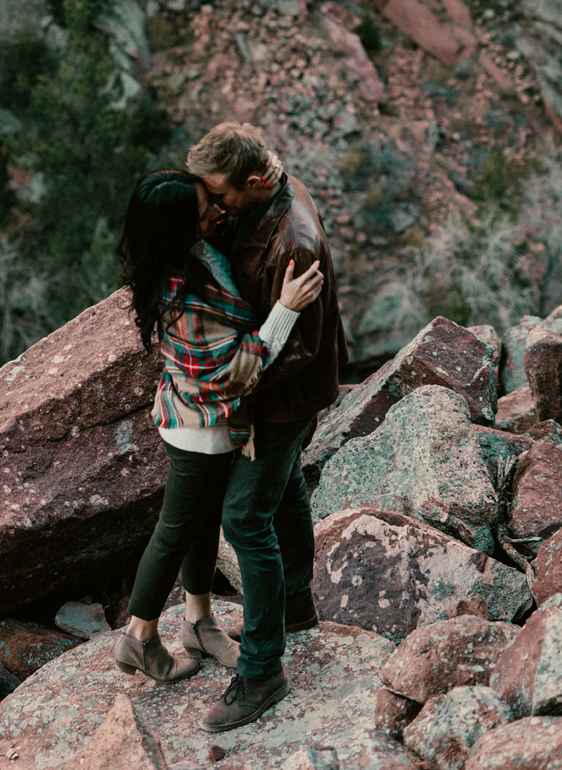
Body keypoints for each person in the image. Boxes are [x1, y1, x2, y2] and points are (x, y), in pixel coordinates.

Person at [112, 168, 325, 684]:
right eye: (205, 209)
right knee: (174, 533)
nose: (218, 212)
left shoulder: (192, 254)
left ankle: (199, 622)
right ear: (177, 228)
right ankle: (138, 637)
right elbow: (235, 373)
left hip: (195, 419)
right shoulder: (183, 290)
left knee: (202, 523)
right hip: (199, 430)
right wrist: (285, 310)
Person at [185, 123, 346, 732]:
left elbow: (294, 351)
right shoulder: (266, 194)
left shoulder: (291, 243)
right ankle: (297, 605)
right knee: (285, 492)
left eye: (220, 196)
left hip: (281, 397)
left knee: (243, 516)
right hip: (285, 390)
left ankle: (261, 670)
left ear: (255, 181)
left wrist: (241, 410)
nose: (215, 208)